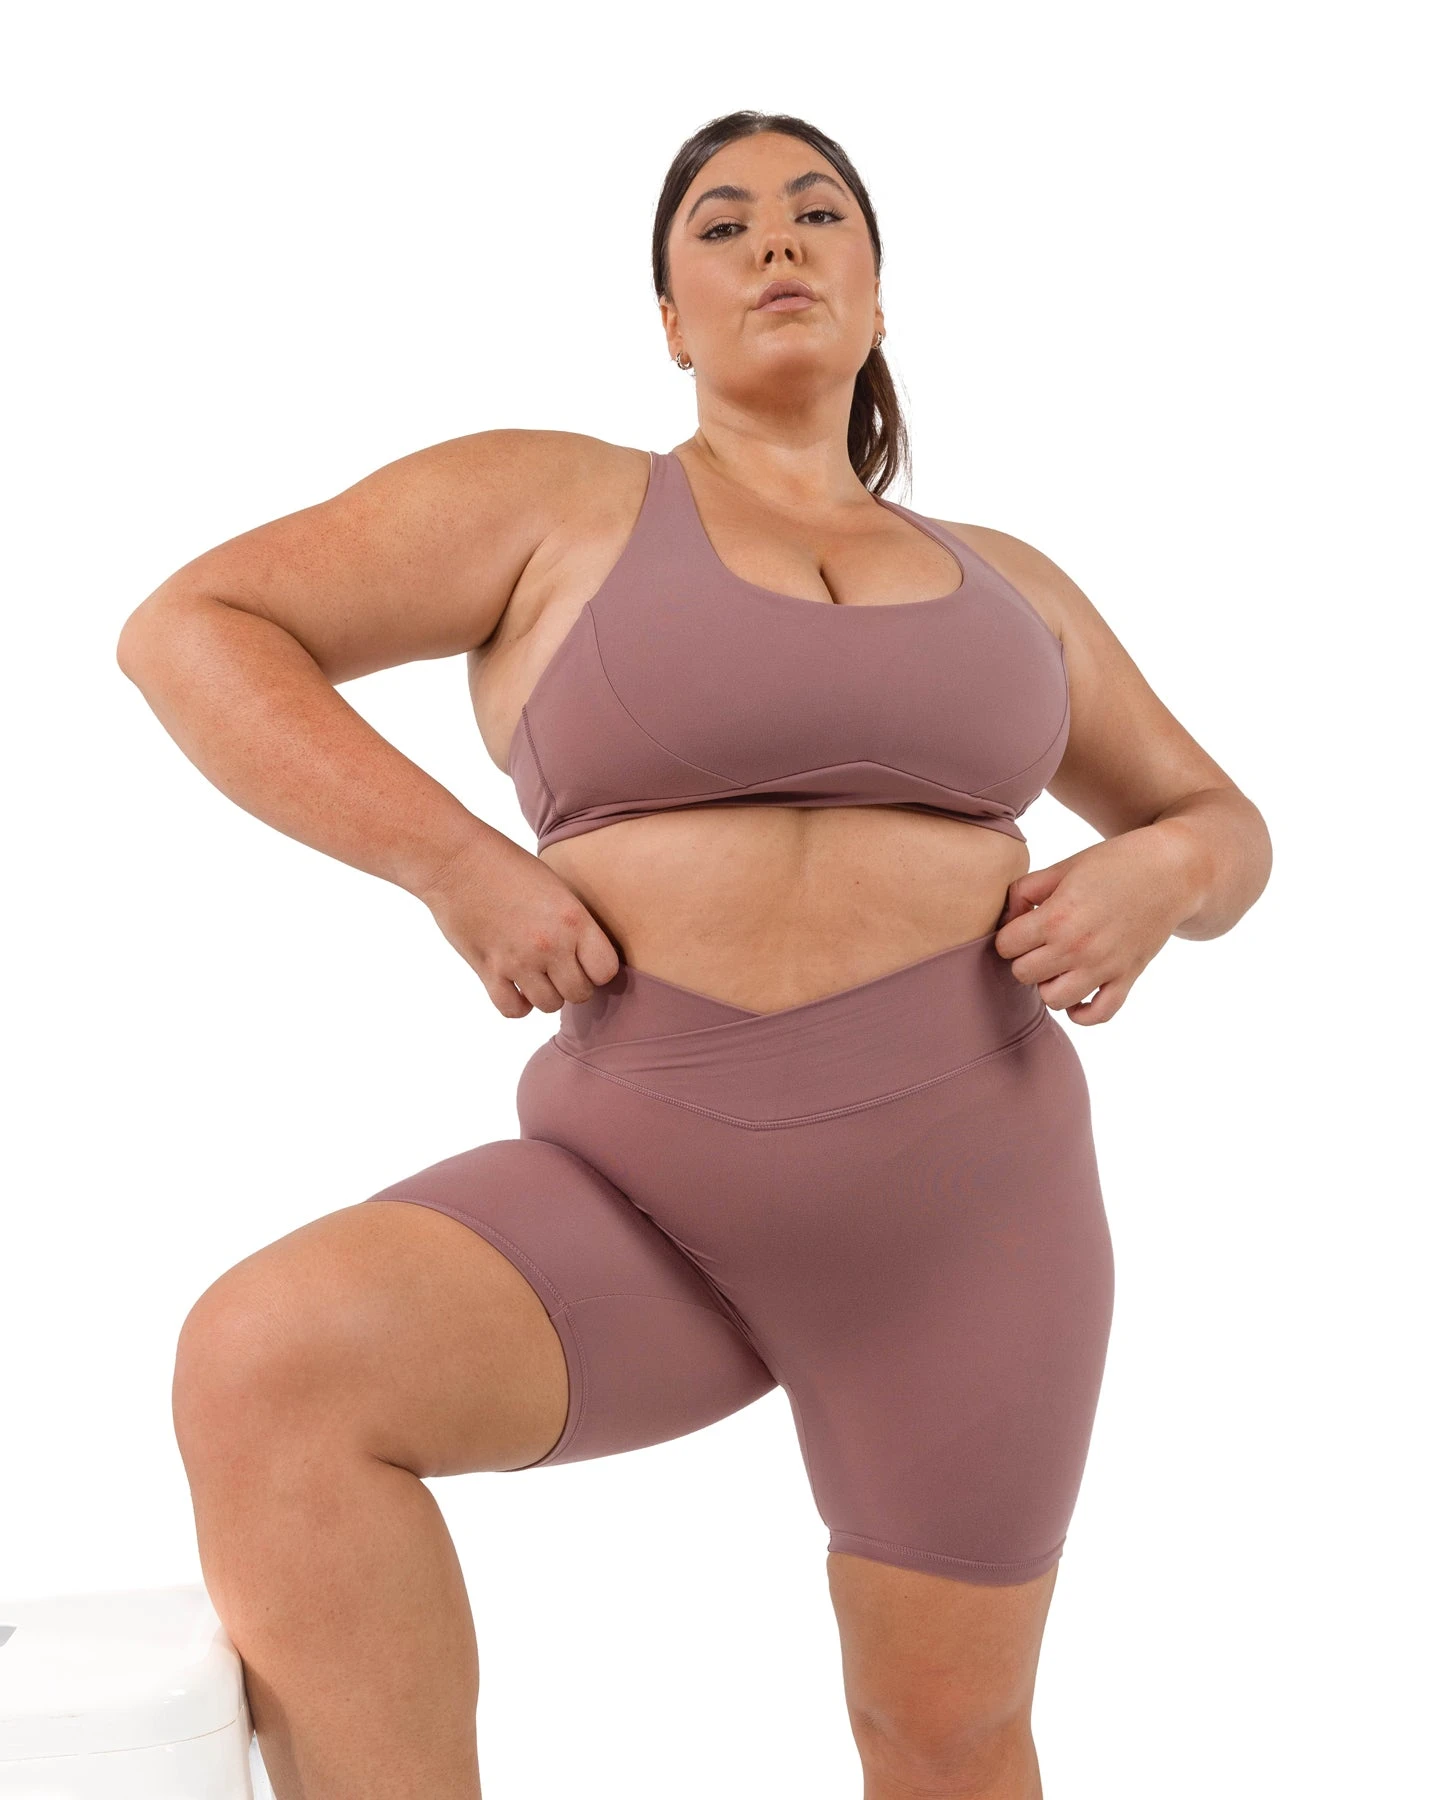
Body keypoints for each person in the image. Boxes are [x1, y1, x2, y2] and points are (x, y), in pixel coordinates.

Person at [116, 109, 1271, 1800]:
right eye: (720, 228)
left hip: (970, 1227)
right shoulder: (556, 500)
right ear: (669, 318)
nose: (774, 241)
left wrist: (1164, 870)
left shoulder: (1013, 586)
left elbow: (1223, 822)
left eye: (817, 214)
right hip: (636, 1200)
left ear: (878, 291)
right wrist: (454, 864)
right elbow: (194, 631)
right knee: (272, 1363)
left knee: (946, 1735)